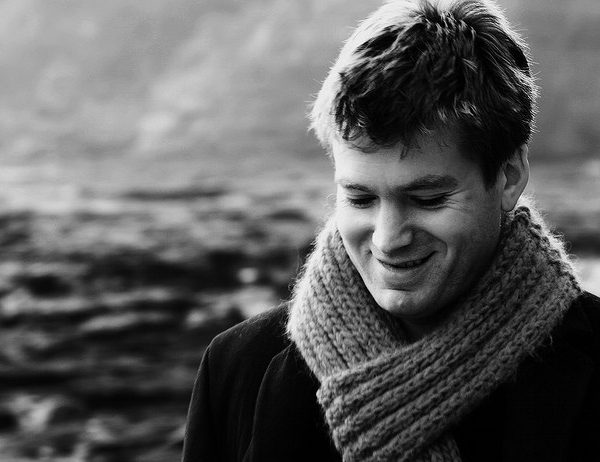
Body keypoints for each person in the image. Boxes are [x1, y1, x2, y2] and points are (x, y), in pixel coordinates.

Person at [182, 0, 600, 460]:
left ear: (509, 176)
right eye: (360, 199)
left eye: (427, 199)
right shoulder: (234, 370)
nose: (387, 238)